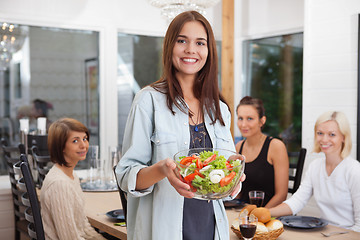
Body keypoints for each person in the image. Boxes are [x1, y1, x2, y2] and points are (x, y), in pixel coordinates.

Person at [115, 11, 244, 240]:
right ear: (170, 46)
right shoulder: (148, 100)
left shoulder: (220, 109)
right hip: (162, 228)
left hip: (210, 228)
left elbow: (221, 183)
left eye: (200, 43)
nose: (191, 50)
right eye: (182, 40)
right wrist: (162, 170)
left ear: (209, 50)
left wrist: (233, 178)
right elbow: (126, 177)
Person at [270, 111, 360, 232]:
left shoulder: (354, 170)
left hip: (348, 235)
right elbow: (297, 201)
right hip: (324, 233)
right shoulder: (315, 167)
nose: (324, 139)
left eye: (332, 134)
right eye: (320, 133)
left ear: (343, 137)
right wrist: (265, 212)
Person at [40, 118, 106, 240]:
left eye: (85, 139)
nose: (83, 145)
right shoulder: (59, 184)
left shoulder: (71, 176)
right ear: (61, 147)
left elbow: (82, 225)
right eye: (75, 141)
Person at [235, 96, 289, 208]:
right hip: (243, 214)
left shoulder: (276, 146)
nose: (243, 124)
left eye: (250, 118)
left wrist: (260, 214)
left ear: (262, 121)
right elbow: (238, 191)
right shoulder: (238, 147)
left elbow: (281, 195)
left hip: (269, 215)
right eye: (240, 118)